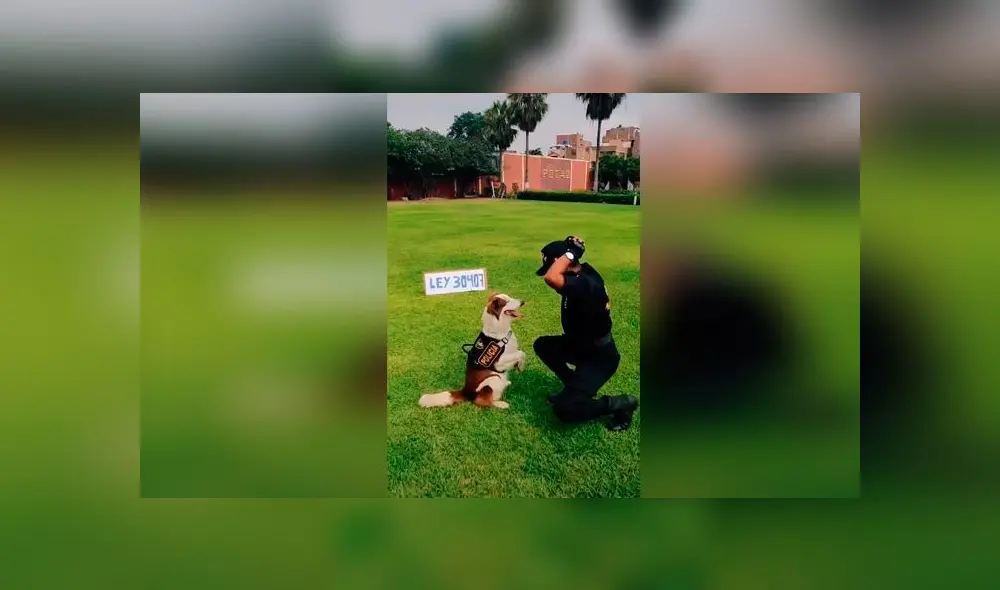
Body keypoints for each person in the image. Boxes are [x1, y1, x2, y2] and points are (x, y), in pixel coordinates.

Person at [533, 236, 639, 431]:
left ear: (561, 262)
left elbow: (551, 278)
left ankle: (622, 404)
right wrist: (570, 254)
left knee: (565, 409)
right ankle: (573, 387)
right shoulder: (581, 274)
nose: (548, 272)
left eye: (551, 265)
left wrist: (572, 252)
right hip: (579, 345)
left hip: (599, 358)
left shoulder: (586, 285)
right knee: (543, 345)